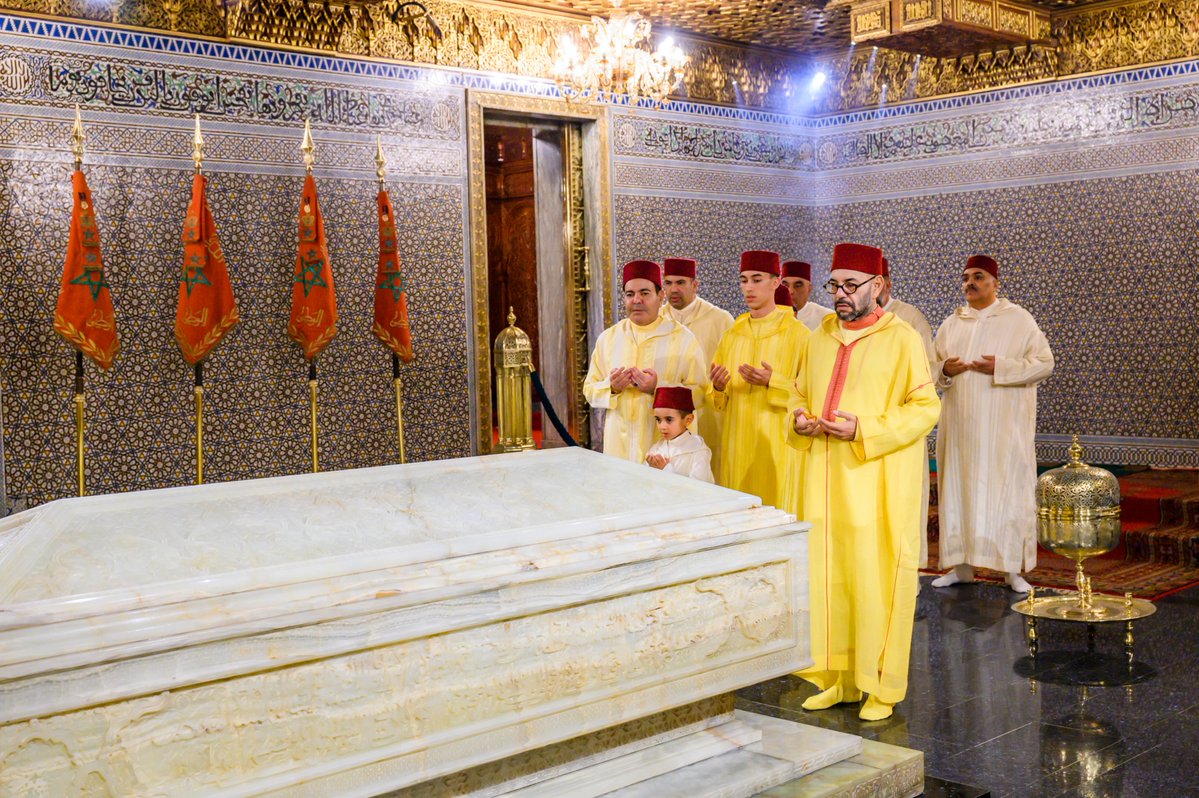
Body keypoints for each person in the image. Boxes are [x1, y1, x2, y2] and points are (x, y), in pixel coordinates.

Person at [787, 242, 940, 721]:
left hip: (876, 484)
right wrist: (799, 420)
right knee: (832, 579)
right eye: (835, 285)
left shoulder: (902, 338)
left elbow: (925, 408)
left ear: (878, 287)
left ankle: (881, 686)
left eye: (851, 285)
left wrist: (864, 430)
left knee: (875, 581)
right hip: (824, 482)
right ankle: (841, 679)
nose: (841, 294)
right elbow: (797, 394)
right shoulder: (818, 338)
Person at [931, 255, 1054, 594]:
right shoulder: (952, 323)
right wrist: (945, 370)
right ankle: (962, 567)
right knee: (959, 492)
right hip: (960, 430)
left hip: (1003, 431)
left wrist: (1000, 367)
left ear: (995, 283)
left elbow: (1044, 363)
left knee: (1007, 493)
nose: (970, 283)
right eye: (966, 277)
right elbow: (930, 369)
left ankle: (1012, 571)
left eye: (978, 277)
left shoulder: (1018, 319)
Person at [709, 250, 809, 511]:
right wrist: (718, 387)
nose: (749, 288)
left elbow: (810, 395)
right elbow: (718, 402)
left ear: (775, 282)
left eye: (756, 279)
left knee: (776, 514)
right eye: (744, 280)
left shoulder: (799, 335)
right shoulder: (732, 335)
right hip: (737, 446)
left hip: (778, 448)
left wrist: (772, 381)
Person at [583, 260, 709, 464]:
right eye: (630, 294)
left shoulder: (682, 339)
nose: (636, 300)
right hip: (619, 450)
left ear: (660, 297)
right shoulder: (609, 338)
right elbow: (589, 390)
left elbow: (701, 393)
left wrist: (657, 389)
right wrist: (612, 388)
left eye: (644, 293)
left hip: (666, 454)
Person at [879, 257, 937, 567]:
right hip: (861, 430)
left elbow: (927, 373)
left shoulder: (910, 319)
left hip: (900, 425)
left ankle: (907, 573)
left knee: (903, 502)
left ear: (885, 284)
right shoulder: (843, 323)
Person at [661, 257, 734, 469]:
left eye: (680, 282)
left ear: (695, 285)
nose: (673, 289)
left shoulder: (720, 320)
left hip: (707, 412)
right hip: (667, 417)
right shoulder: (657, 319)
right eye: (668, 283)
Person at [645, 386, 714, 483]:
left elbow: (700, 487)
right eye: (658, 420)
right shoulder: (657, 448)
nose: (662, 427)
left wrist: (665, 469)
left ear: (688, 420)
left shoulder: (698, 451)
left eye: (669, 420)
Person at [782, 260, 834, 331]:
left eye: (798, 286)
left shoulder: (826, 318)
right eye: (785, 286)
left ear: (809, 288)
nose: (790, 291)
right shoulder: (771, 315)